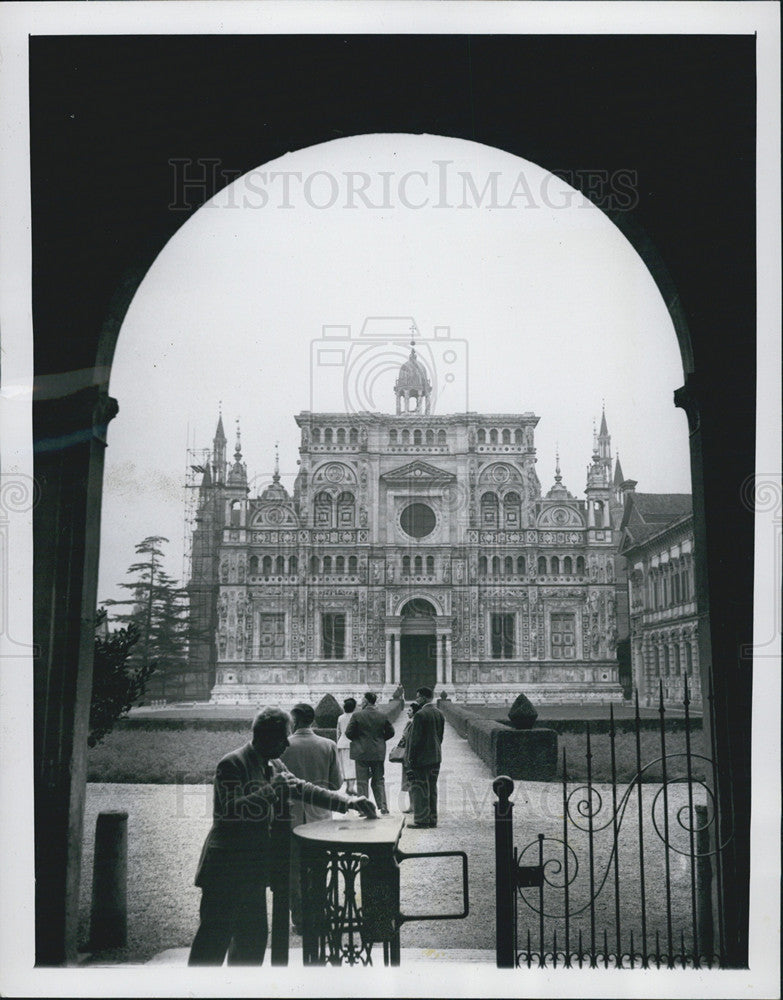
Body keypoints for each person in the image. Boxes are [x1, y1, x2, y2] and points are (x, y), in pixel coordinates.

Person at [188, 706, 376, 966]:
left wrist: (349, 802)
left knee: (251, 942)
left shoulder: (273, 762)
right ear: (265, 737)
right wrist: (269, 790)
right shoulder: (232, 763)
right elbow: (228, 813)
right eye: (282, 738)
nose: (287, 743)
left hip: (251, 868)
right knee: (213, 941)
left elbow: (302, 788)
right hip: (225, 868)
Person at [280, 702, 343, 937]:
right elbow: (336, 784)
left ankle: (299, 919)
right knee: (319, 868)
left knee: (294, 872)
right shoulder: (328, 745)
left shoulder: (282, 747)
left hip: (291, 818)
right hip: (321, 817)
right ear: (313, 721)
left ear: (294, 721)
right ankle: (319, 914)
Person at [345, 691, 394, 814]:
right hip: (378, 752)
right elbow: (391, 732)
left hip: (361, 752)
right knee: (379, 780)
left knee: (362, 781)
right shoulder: (382, 715)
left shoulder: (357, 715)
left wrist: (359, 740)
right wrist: (380, 741)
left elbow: (348, 733)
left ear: (366, 701)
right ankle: (383, 806)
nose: (361, 702)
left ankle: (363, 809)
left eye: (362, 700)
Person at [404, 686, 445, 828]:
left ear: (424, 697)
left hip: (421, 759)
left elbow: (415, 740)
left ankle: (421, 820)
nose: (416, 699)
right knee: (432, 788)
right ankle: (432, 819)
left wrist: (410, 759)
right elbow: (440, 737)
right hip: (435, 757)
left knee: (420, 789)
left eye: (418, 696)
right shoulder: (439, 713)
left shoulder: (420, 715)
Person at [392, 701, 421, 813]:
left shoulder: (411, 724)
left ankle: (414, 805)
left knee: (411, 781)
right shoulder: (412, 723)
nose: (407, 712)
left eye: (409, 710)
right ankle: (412, 805)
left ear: (414, 712)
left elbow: (406, 738)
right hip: (409, 756)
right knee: (410, 781)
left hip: (410, 756)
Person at [335, 697, 358, 795]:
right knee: (352, 766)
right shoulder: (356, 717)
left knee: (344, 766)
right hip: (352, 744)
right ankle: (351, 787)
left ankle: (349, 787)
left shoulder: (340, 717)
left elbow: (338, 732)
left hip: (342, 743)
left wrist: (338, 743)